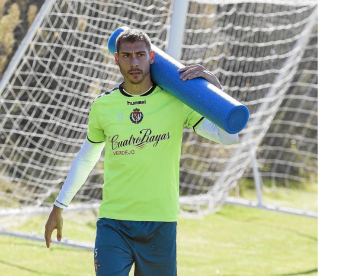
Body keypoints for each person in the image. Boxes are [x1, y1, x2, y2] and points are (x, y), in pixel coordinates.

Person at [44, 29, 239, 276]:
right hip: (114, 223)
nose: (134, 62)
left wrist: (214, 92)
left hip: (160, 223)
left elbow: (229, 136)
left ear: (152, 57)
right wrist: (59, 206)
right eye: (126, 55)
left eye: (140, 55)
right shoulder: (103, 107)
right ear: (116, 59)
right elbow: (87, 156)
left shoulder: (177, 102)